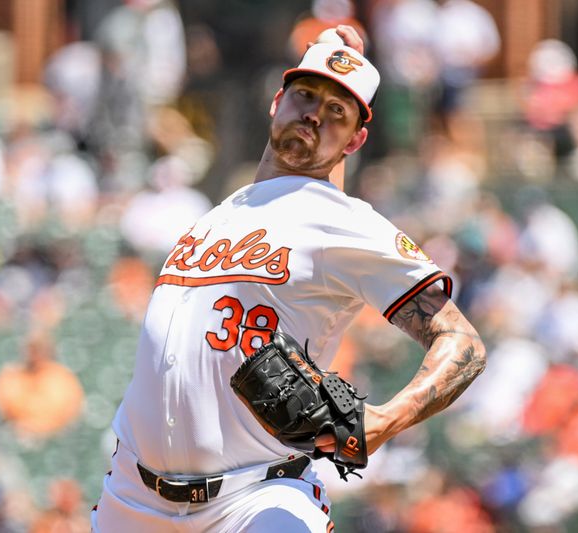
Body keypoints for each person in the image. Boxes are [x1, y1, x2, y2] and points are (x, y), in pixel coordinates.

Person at [92, 25, 486, 532]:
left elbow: (463, 342)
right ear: (277, 101)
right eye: (305, 95)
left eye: (337, 112)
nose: (315, 114)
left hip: (256, 497)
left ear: (356, 140)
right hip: (133, 499)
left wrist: (387, 419)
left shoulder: (343, 220)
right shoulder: (212, 216)